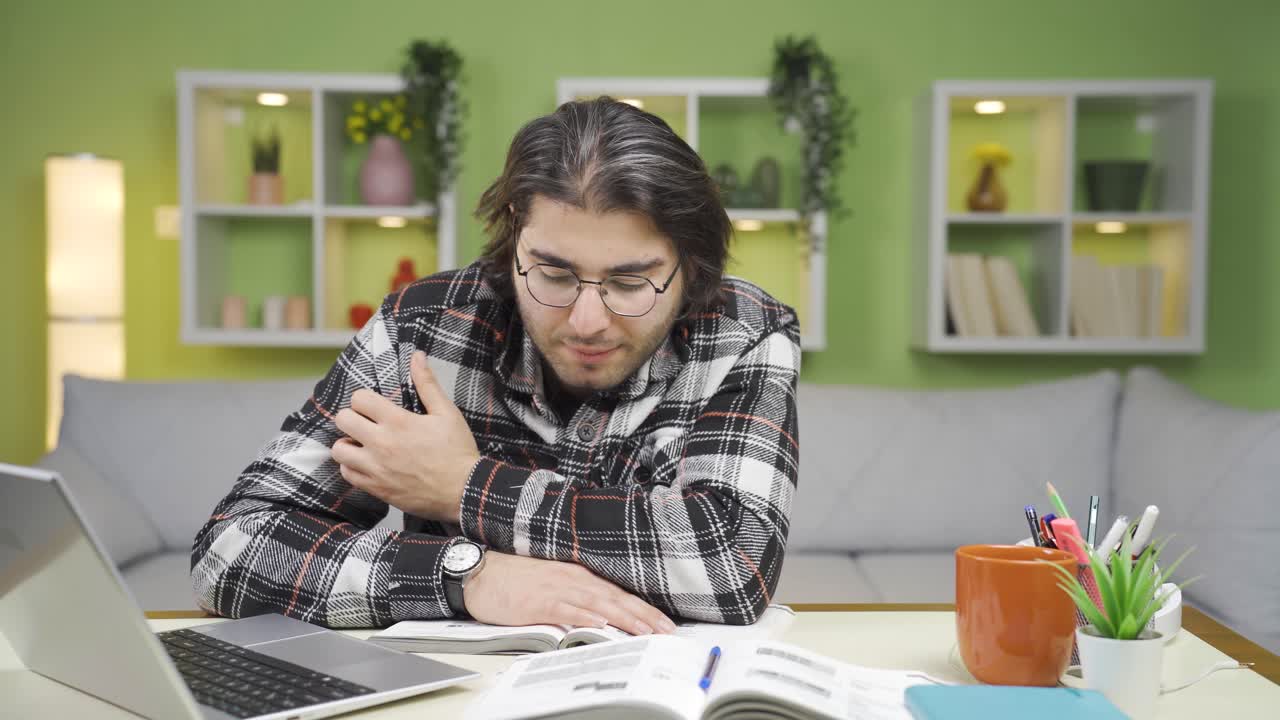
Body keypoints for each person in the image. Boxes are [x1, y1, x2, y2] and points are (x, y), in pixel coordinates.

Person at [191, 97, 801, 634]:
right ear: (514, 243)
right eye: (555, 274)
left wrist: (462, 485)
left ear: (689, 268)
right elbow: (231, 549)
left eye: (630, 281)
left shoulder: (746, 333)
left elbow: (732, 563)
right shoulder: (420, 328)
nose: (587, 320)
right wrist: (469, 576)